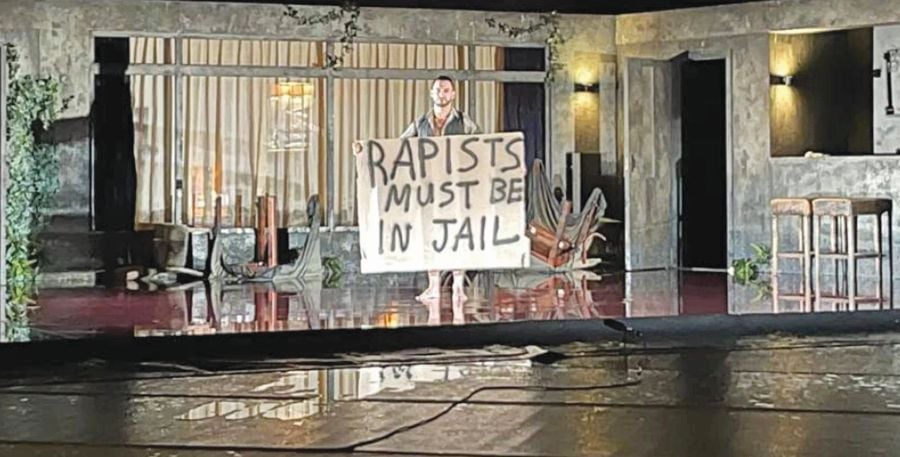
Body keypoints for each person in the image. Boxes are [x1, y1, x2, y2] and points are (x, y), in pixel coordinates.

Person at [354, 75, 480, 301]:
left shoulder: (464, 122)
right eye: (438, 90)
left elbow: (484, 146)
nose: (442, 94)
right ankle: (433, 285)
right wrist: (366, 150)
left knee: (457, 234)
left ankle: (458, 286)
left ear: (453, 94)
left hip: (456, 188)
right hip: (428, 188)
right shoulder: (420, 123)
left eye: (446, 90)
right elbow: (396, 146)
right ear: (431, 93)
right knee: (430, 234)